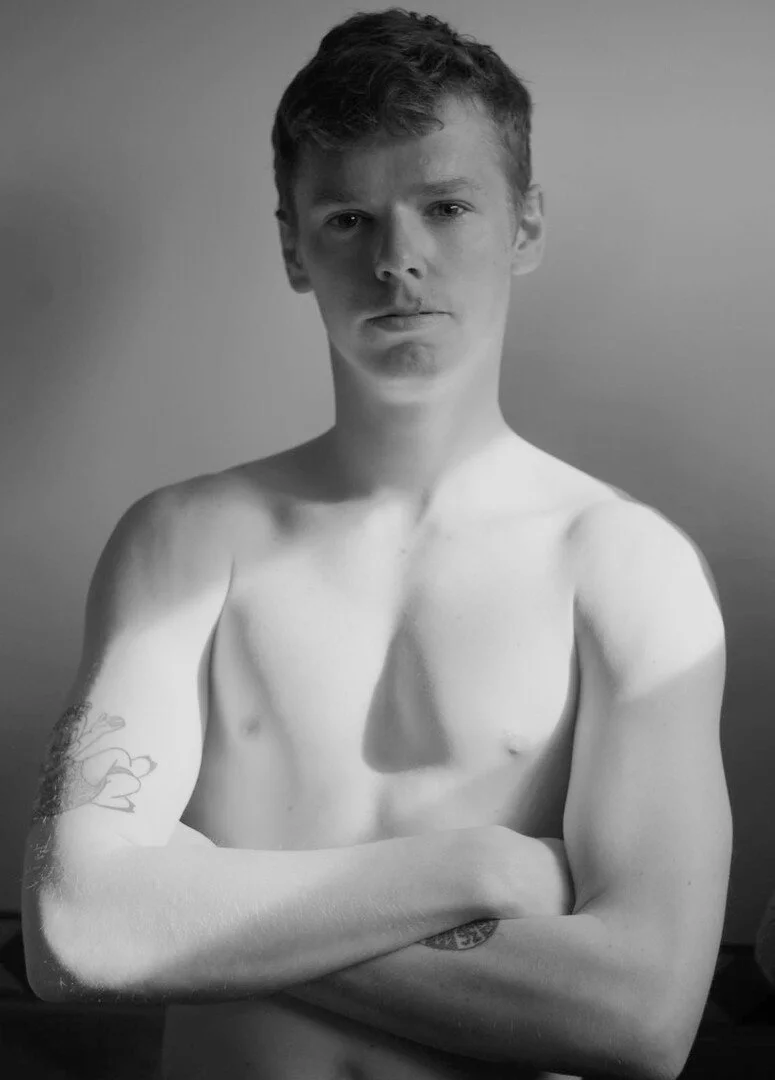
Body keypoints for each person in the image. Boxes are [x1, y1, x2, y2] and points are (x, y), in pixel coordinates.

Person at [21, 9, 732, 1080]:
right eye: (349, 218)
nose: (399, 259)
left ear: (526, 225)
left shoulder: (629, 566)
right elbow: (76, 930)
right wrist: (477, 867)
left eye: (445, 207)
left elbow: (639, 1015)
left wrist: (188, 912)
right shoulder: (181, 543)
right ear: (292, 247)